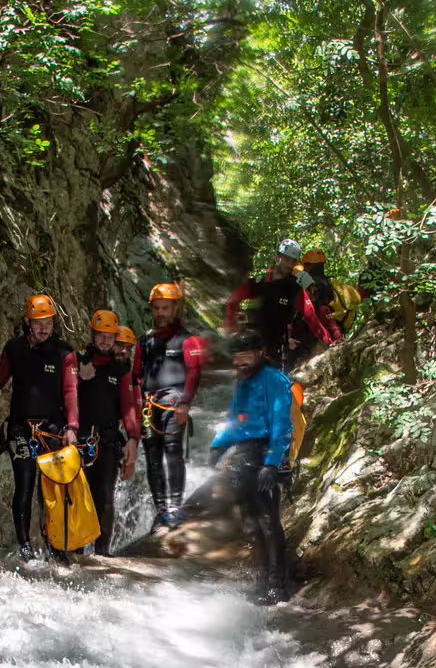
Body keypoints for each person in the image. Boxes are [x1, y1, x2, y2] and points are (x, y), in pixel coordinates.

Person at [184, 331, 293, 603]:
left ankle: (276, 586)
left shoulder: (275, 380)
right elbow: (235, 418)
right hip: (245, 454)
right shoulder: (244, 382)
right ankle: (261, 579)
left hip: (268, 452)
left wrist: (272, 463)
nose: (241, 361)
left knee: (268, 520)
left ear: (259, 353)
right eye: (237, 356)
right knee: (250, 523)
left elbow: (282, 426)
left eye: (246, 355)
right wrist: (219, 445)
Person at [0, 295, 79, 563]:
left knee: (51, 492)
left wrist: (72, 427)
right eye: (38, 323)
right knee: (24, 483)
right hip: (21, 429)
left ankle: (56, 548)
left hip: (52, 430)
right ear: (27, 322)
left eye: (48, 322)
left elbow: (71, 393)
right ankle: (25, 548)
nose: (44, 328)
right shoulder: (14, 349)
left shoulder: (64, 353)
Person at [135, 282, 206, 529]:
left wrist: (185, 404)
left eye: (165, 308)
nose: (160, 313)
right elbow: (135, 374)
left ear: (175, 308)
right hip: (148, 404)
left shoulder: (187, 341)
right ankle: (161, 510)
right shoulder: (145, 341)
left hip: (174, 401)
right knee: (153, 456)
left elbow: (194, 373)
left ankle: (175, 507)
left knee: (172, 449)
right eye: (156, 308)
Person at [76, 310, 140, 555]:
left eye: (110, 336)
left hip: (109, 439)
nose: (105, 341)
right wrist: (81, 378)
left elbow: (129, 408)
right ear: (93, 336)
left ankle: (102, 553)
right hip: (81, 438)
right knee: (80, 495)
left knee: (104, 496)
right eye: (100, 336)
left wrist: (133, 442)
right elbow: (64, 396)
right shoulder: (80, 361)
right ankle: (78, 551)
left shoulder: (121, 371)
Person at [225, 239, 339, 370]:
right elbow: (233, 301)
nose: (290, 265)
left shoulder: (295, 288)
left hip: (275, 352)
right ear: (278, 257)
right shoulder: (259, 282)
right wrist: (232, 325)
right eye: (287, 259)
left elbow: (311, 317)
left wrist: (328, 341)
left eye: (294, 261)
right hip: (251, 348)